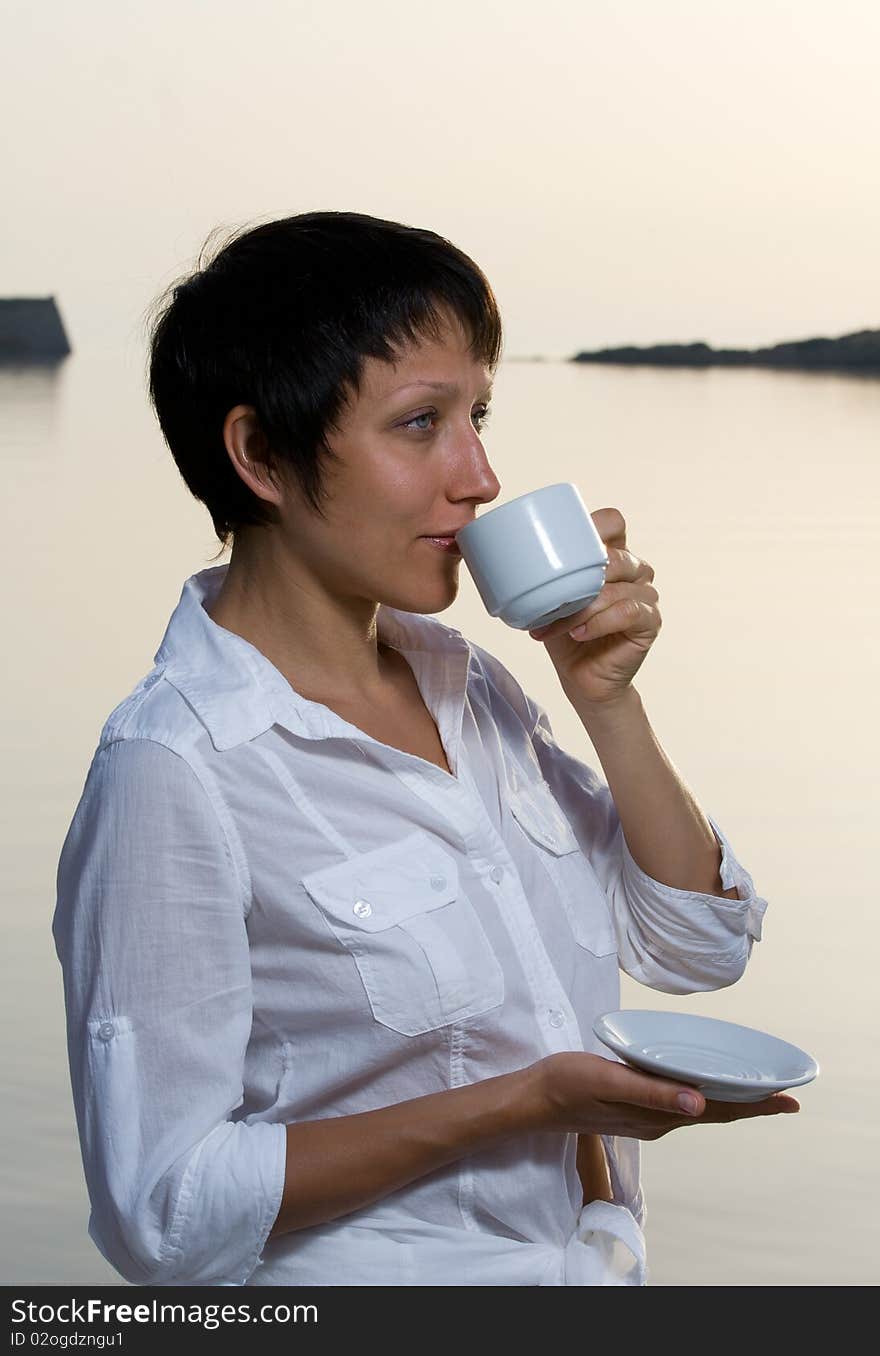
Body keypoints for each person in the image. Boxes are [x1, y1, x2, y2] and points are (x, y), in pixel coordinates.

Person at [52, 210, 798, 1288]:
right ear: (260, 453)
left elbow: (695, 949)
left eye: (478, 414)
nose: (480, 476)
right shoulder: (174, 769)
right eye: (420, 425)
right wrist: (522, 1105)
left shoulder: (473, 686)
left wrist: (606, 699)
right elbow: (164, 1214)